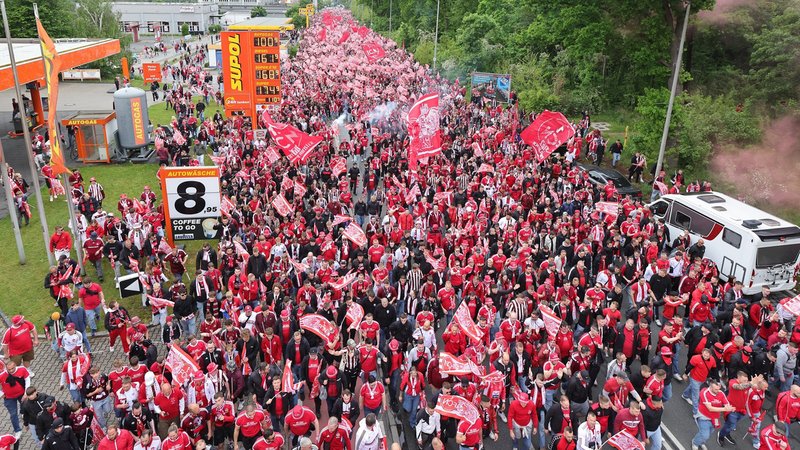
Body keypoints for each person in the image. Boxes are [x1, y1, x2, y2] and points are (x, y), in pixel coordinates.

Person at [691, 380, 736, 450]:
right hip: (703, 416)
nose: (718, 391)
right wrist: (725, 409)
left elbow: (726, 404)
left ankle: (701, 442)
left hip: (714, 418)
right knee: (705, 434)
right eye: (716, 389)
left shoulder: (721, 393)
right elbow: (710, 408)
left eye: (719, 389)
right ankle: (695, 443)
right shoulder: (704, 392)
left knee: (709, 434)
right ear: (710, 387)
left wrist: (730, 408)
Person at [0, 359, 31, 439]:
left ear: (15, 366)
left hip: (22, 395)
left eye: (12, 368)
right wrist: (2, 394)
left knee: (27, 408)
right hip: (9, 398)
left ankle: (27, 419)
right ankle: (18, 431)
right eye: (9, 369)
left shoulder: (22, 369)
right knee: (13, 414)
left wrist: (26, 393)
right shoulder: (2, 375)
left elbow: (27, 379)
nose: (11, 371)